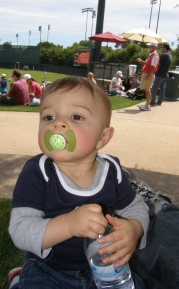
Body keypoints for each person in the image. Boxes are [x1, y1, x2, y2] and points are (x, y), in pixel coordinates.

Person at [8, 77, 149, 289]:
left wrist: (135, 229)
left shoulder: (111, 170)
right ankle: (20, 279)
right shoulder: (38, 172)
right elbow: (19, 230)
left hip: (103, 267)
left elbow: (136, 206)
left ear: (102, 138)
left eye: (76, 116)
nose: (58, 123)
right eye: (48, 116)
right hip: (49, 268)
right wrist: (68, 224)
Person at [137, 42, 159, 111]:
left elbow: (153, 67)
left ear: (154, 47)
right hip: (146, 73)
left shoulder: (155, 55)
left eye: (150, 46)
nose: (149, 47)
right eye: (149, 46)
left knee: (147, 89)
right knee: (146, 89)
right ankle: (147, 104)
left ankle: (148, 105)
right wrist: (140, 61)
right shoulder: (151, 55)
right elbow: (145, 63)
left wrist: (148, 75)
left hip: (149, 74)